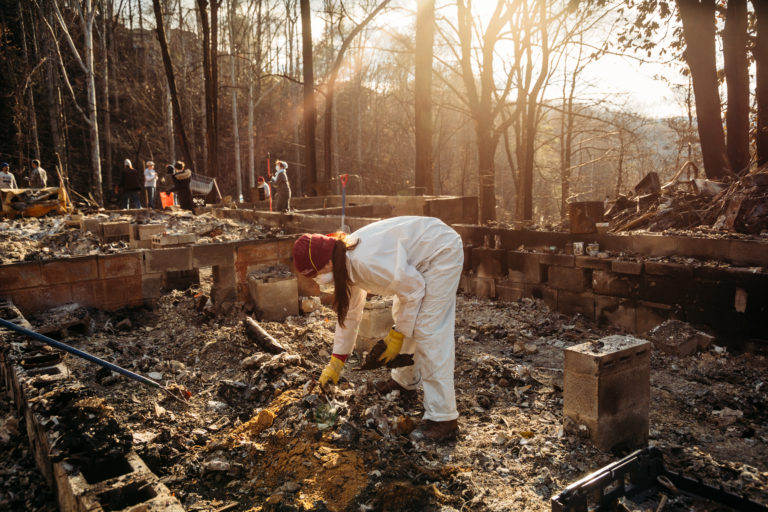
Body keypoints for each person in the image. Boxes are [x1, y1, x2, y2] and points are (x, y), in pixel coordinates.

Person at [292, 216, 464, 442]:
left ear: (325, 263)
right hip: (416, 263)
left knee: (429, 330)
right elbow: (351, 314)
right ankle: (405, 382)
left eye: (315, 275)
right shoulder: (344, 260)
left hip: (439, 252)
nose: (318, 281)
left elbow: (414, 291)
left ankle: (443, 419)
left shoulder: (365, 262)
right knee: (403, 315)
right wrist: (336, 362)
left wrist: (396, 335)